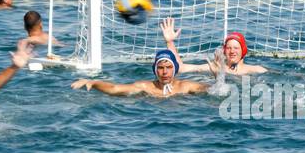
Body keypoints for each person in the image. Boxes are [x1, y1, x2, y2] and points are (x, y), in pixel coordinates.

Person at [70, 49, 209, 98]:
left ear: (175, 69)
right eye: (160, 67)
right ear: (155, 70)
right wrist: (93, 82)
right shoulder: (145, 87)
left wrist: (220, 79)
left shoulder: (185, 87)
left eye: (168, 67)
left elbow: (212, 90)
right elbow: (115, 89)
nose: (165, 72)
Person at [158, 17, 267, 76]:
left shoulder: (257, 70)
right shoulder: (212, 67)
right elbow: (181, 68)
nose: (232, 51)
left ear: (243, 50)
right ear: (224, 51)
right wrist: (170, 42)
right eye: (228, 48)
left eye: (236, 48)